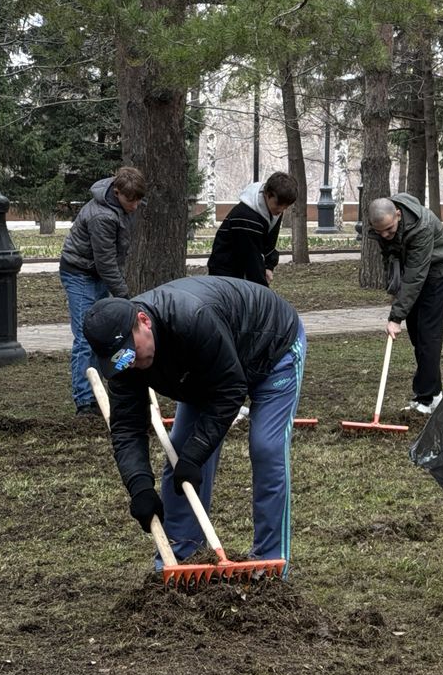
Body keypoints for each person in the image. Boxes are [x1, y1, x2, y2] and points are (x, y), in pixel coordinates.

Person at [83, 276, 306, 569]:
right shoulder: (124, 364)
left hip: (272, 347)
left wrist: (196, 453)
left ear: (143, 321)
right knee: (180, 450)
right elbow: (127, 427)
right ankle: (181, 553)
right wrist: (139, 487)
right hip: (204, 371)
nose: (131, 364)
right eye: (120, 361)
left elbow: (230, 391)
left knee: (266, 448)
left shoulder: (191, 318)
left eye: (129, 353)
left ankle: (270, 560)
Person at [59, 166, 146, 416]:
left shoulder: (123, 201)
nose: (136, 205)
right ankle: (85, 401)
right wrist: (124, 296)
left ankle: (99, 395)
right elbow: (105, 263)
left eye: (139, 199)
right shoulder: (101, 217)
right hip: (80, 274)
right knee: (86, 337)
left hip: (96, 273)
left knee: (103, 335)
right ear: (117, 192)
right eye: (132, 200)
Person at [366, 194, 443, 414]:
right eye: (380, 232)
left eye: (389, 230)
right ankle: (433, 393)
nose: (385, 235)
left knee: (428, 333)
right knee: (417, 333)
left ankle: (426, 399)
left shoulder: (422, 227)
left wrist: (396, 316)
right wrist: (395, 291)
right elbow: (391, 259)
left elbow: (416, 275)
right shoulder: (383, 225)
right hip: (414, 271)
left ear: (398, 215)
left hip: (439, 269)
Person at [206, 172, 299, 286]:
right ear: (268, 194)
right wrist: (263, 292)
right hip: (226, 275)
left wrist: (269, 266)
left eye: (286, 206)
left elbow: (270, 242)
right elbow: (251, 259)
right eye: (278, 204)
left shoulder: (274, 210)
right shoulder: (246, 217)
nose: (281, 209)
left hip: (244, 271)